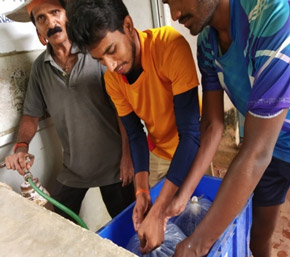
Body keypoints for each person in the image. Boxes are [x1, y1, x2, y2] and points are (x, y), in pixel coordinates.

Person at [65, 0, 216, 252]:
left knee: (195, 216)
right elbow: (135, 134)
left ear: (128, 25)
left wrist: (159, 211)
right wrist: (142, 191)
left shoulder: (169, 46)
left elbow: (190, 134)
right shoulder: (113, 80)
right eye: (100, 59)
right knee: (159, 220)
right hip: (158, 150)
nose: (110, 65)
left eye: (111, 50)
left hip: (192, 148)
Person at [161, 0, 290, 256]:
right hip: (273, 152)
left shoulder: (271, 14)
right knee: (258, 239)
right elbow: (211, 125)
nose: (174, 14)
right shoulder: (207, 44)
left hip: (265, 146)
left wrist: (197, 245)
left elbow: (255, 153)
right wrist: (181, 197)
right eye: (166, 3)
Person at [4, 0, 135, 224]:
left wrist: (128, 156)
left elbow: (123, 110)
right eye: (41, 19)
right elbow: (30, 115)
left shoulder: (96, 54)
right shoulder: (39, 68)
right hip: (74, 169)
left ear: (68, 18)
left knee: (130, 227)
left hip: (115, 165)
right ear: (38, 32)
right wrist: (21, 147)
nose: (50, 23)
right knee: (59, 225)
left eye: (55, 13)